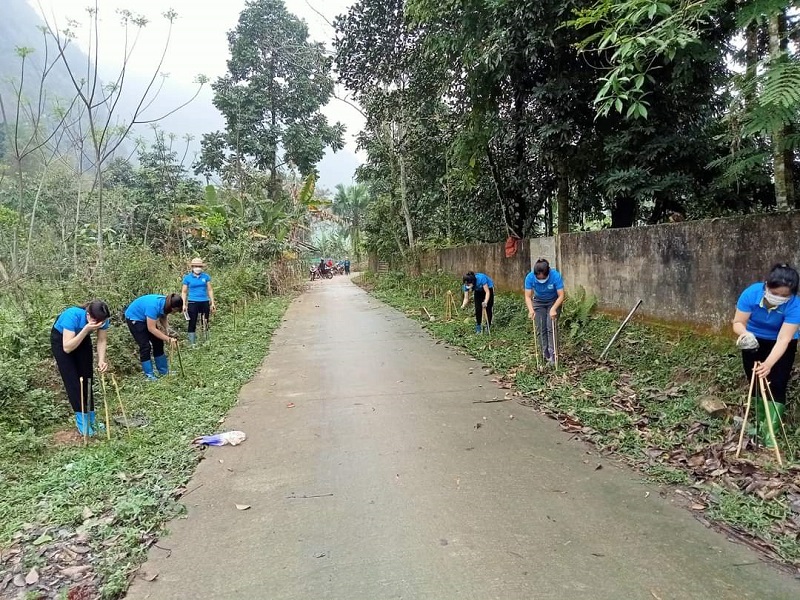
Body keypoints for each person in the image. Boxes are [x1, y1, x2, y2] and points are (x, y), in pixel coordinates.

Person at [733, 263, 800, 447]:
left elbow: (784, 339)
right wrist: (745, 335)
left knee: (777, 383)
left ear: (792, 294)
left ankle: (770, 433)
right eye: (774, 293)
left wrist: (769, 364)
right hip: (753, 338)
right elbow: (738, 322)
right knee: (754, 380)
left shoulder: (795, 305)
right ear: (766, 285)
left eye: (784, 295)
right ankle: (759, 423)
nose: (778, 297)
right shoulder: (751, 294)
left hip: (781, 342)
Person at [51, 300, 111, 435]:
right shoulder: (72, 315)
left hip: (82, 338)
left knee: (87, 377)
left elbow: (102, 340)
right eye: (96, 322)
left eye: (102, 322)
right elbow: (67, 348)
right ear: (88, 315)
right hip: (62, 341)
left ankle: (92, 419)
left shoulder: (102, 319)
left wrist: (101, 360)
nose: (99, 324)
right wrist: (86, 330)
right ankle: (82, 422)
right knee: (73, 382)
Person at [124, 293, 183, 380]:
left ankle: (164, 371)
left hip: (146, 317)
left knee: (158, 342)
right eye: (175, 311)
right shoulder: (153, 306)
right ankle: (149, 375)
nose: (174, 313)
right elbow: (151, 329)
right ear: (172, 308)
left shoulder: (166, 303)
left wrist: (167, 329)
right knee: (145, 346)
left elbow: (163, 316)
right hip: (135, 318)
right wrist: (168, 339)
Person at [524, 258, 565, 365]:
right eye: (539, 278)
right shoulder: (530, 277)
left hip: (553, 301)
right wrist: (531, 310)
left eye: (543, 278)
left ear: (548, 273)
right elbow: (528, 296)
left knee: (551, 327)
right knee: (541, 327)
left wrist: (554, 309)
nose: (541, 280)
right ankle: (545, 352)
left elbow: (561, 295)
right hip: (538, 302)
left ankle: (553, 354)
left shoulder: (555, 276)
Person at [181, 257, 216, 346]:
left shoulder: (206, 277)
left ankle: (206, 341)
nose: (198, 268)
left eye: (199, 266)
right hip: (192, 302)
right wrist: (183, 304)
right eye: (196, 266)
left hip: (204, 301)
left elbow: (210, 290)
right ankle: (192, 343)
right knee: (192, 322)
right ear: (192, 267)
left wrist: (212, 302)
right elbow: (184, 291)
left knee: (205, 321)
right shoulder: (187, 278)